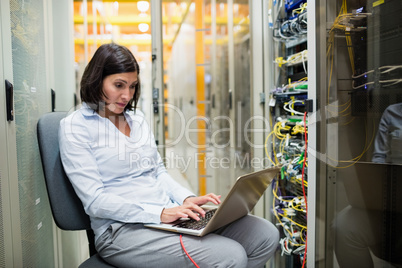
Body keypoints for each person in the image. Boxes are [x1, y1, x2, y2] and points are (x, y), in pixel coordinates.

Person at [59, 43, 279, 268]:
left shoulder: (138, 120)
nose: (127, 95)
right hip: (121, 230)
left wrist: (185, 199)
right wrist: (160, 213)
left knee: (264, 235)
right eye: (118, 85)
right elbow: (95, 201)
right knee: (231, 256)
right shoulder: (75, 126)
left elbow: (158, 172)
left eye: (133, 86)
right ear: (97, 80)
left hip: (167, 217)